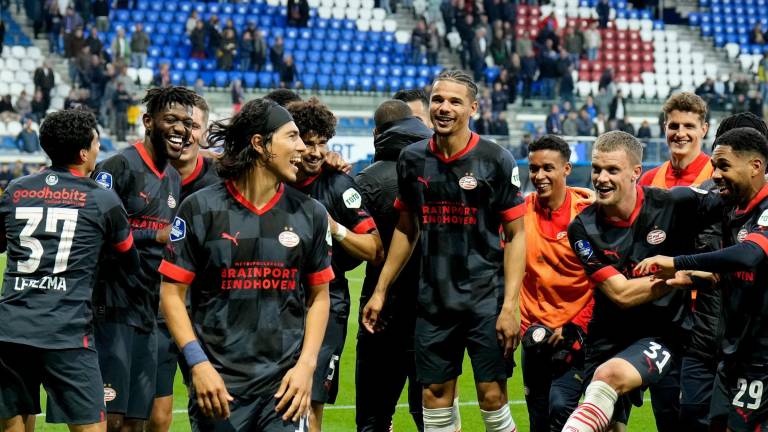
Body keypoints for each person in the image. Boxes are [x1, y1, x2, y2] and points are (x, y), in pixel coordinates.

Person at [362, 70, 525, 432]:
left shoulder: (496, 159)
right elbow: (406, 228)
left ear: (473, 108)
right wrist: (381, 289)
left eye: (454, 101)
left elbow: (516, 235)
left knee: (492, 396)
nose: (444, 108)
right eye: (438, 99)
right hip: (434, 302)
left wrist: (510, 306)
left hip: (485, 300)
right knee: (434, 396)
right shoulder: (412, 159)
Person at [158, 98, 332, 432]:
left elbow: (319, 296)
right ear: (260, 144)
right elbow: (171, 294)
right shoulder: (201, 208)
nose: (302, 147)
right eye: (292, 136)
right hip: (218, 388)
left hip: (284, 389)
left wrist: (306, 366)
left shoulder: (310, 213)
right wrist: (198, 364)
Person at [560, 131, 722, 432]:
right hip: (609, 334)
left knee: (609, 378)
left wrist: (711, 265)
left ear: (636, 172)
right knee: (608, 423)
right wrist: (680, 274)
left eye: (612, 170)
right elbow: (621, 294)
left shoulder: (674, 202)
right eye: (597, 169)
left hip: (663, 332)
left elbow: (732, 203)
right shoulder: (582, 228)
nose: (601, 179)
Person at [0, 109, 138, 432]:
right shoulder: (102, 199)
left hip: (10, 330)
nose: (99, 149)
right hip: (67, 333)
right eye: (96, 142)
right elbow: (129, 261)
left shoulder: (16, 190)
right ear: (84, 152)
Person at [635, 126, 768, 431]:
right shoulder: (730, 204)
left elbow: (749, 256)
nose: (716, 175)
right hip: (733, 353)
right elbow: (685, 196)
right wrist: (628, 194)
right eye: (714, 166)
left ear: (755, 166)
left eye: (724, 166)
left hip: (762, 358)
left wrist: (676, 262)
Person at [91, 86, 196, 432]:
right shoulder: (117, 167)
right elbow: (96, 233)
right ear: (148, 121)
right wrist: (155, 236)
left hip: (149, 311)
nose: (180, 129)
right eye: (171, 119)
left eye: (186, 122)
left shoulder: (173, 178)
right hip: (112, 309)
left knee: (138, 421)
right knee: (111, 420)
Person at [286, 98, 383, 431]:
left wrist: (334, 227)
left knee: (311, 403)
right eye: (308, 143)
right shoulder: (271, 180)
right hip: (276, 303)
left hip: (327, 303)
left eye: (322, 143)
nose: (315, 152)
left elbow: (374, 249)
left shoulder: (338, 185)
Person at [355, 99, 436, 432]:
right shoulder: (443, 172)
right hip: (433, 313)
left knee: (373, 418)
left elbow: (347, 256)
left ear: (378, 134)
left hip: (382, 312)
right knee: (434, 417)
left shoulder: (367, 180)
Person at [148, 95, 217, 432]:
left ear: (204, 133)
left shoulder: (224, 178)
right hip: (153, 309)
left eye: (194, 126)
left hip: (208, 314)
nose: (186, 133)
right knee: (155, 415)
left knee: (213, 406)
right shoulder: (141, 175)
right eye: (178, 125)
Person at [521, 135, 595, 431]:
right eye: (534, 168)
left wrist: (577, 325)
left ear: (566, 168)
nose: (539, 176)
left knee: (561, 408)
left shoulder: (588, 214)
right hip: (534, 336)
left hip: (574, 336)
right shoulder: (519, 213)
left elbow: (603, 279)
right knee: (538, 420)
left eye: (548, 168)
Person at [639, 93, 712, 188]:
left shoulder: (718, 177)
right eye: (674, 126)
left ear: (704, 130)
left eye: (689, 126)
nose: (680, 134)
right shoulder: (648, 180)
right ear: (665, 129)